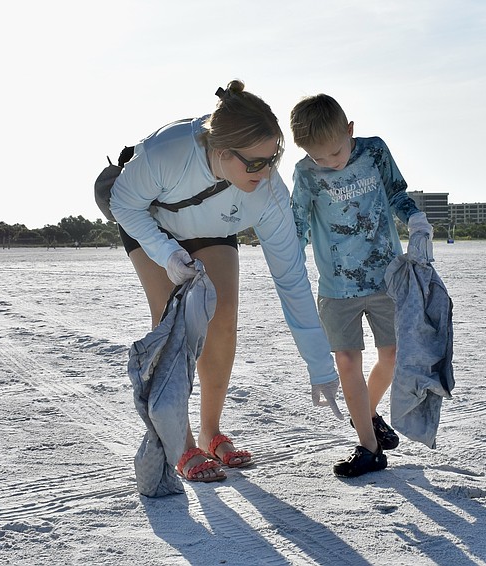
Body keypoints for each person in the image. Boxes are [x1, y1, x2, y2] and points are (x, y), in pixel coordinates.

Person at [110, 80, 342, 483]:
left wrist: (321, 365)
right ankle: (180, 443)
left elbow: (291, 279)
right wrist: (167, 255)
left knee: (224, 313)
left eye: (273, 158)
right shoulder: (169, 152)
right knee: (174, 321)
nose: (266, 171)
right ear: (221, 153)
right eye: (254, 162)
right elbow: (122, 203)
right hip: (149, 217)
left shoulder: (266, 190)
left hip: (213, 223)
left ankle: (210, 430)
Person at [289, 93, 434, 477]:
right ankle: (369, 448)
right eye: (319, 158)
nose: (330, 163)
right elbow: (298, 225)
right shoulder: (305, 175)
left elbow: (396, 193)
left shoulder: (374, 151)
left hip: (386, 277)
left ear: (350, 130)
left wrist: (416, 219)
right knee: (347, 361)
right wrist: (284, 254)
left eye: (336, 152)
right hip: (336, 288)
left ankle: (366, 414)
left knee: (392, 355)